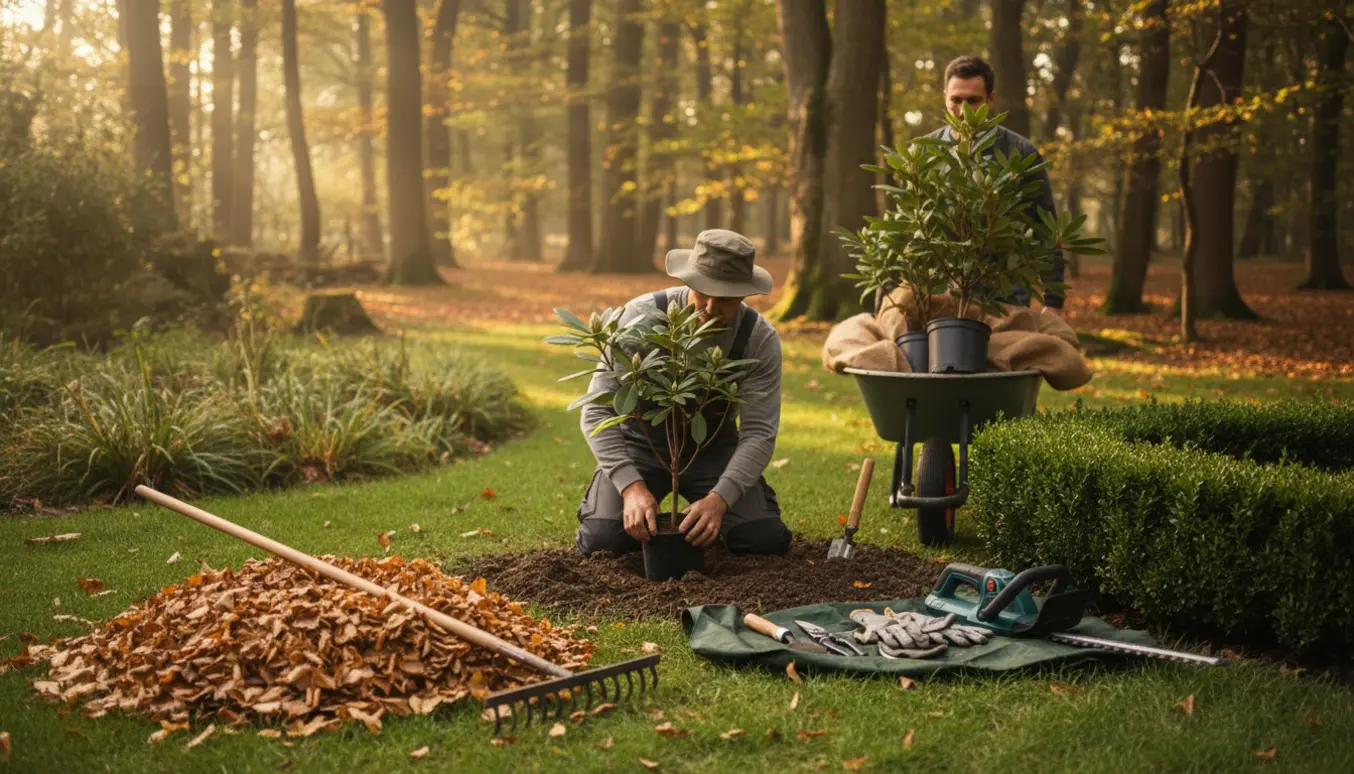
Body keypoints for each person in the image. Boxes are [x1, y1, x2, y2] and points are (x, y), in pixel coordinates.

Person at [574, 229, 793, 558]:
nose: (710, 307)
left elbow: (759, 432)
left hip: (713, 451)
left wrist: (719, 500)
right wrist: (631, 487)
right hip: (639, 447)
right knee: (603, 541)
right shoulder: (639, 319)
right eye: (703, 292)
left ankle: (702, 523)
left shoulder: (758, 338)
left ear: (745, 294)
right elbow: (596, 411)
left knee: (762, 540)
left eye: (726, 298)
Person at [927, 55, 1067, 316]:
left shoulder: (1020, 153)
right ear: (945, 98)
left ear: (990, 100)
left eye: (973, 100)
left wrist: (1053, 300)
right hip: (937, 295)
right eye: (956, 100)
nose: (964, 110)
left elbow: (1045, 228)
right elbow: (905, 226)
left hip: (1004, 296)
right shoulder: (924, 153)